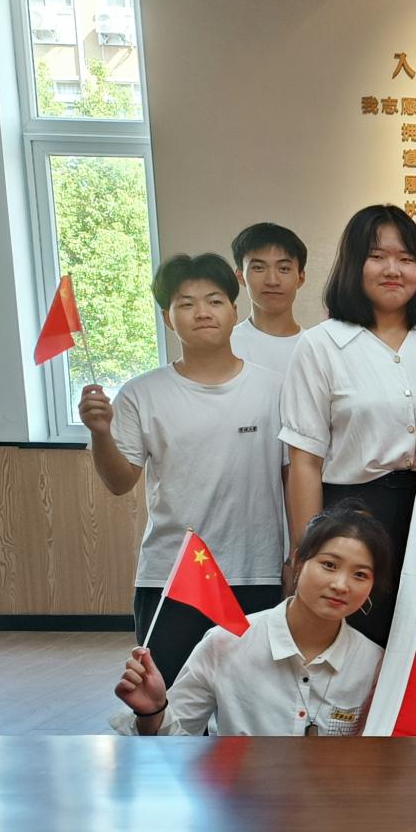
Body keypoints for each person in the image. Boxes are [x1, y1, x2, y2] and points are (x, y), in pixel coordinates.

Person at [80, 252, 287, 687]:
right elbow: (119, 482)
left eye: (214, 300)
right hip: (172, 575)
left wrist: (296, 556)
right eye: (186, 304)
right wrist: (100, 433)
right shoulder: (141, 393)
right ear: (168, 319)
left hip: (255, 571)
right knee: (163, 696)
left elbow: (292, 478)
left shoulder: (275, 388)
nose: (202, 312)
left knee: (251, 700)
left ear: (234, 311)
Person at [279, 204, 416, 647]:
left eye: (406, 258)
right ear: (354, 264)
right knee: (356, 644)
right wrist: (307, 553)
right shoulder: (320, 345)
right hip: (353, 515)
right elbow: (304, 461)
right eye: (377, 256)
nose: (393, 270)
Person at [113, 506, 391, 737]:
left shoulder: (374, 663)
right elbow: (175, 750)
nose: (341, 585)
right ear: (298, 562)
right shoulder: (225, 643)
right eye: (329, 565)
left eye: (360, 574)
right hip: (238, 789)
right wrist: (153, 712)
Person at [228, 222, 309, 374]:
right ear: (240, 276)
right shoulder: (224, 346)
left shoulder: (316, 347)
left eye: (284, 269)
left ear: (300, 277)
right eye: (258, 268)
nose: (272, 281)